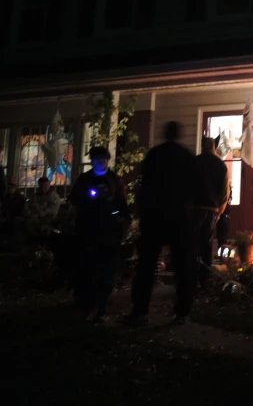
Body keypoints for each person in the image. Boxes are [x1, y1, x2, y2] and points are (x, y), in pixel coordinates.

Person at [125, 121, 197, 326]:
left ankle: (140, 311)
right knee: (183, 267)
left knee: (146, 266)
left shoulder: (154, 155)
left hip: (155, 216)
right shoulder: (187, 157)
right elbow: (194, 188)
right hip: (179, 218)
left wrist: (141, 212)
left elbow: (144, 185)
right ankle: (182, 312)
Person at [69, 146, 130, 323]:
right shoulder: (84, 179)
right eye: (96, 159)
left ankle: (101, 308)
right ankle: (89, 305)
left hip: (109, 233)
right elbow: (75, 200)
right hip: (88, 231)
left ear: (107, 160)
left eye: (102, 158)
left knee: (107, 272)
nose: (99, 161)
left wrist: (116, 216)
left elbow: (122, 207)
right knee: (89, 270)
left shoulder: (115, 180)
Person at [193, 136, 229, 287]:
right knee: (206, 245)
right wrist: (220, 210)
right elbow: (224, 193)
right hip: (211, 210)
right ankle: (204, 279)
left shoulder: (193, 162)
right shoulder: (221, 166)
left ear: (202, 146)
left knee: (192, 244)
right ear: (214, 146)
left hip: (193, 210)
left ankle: (191, 278)